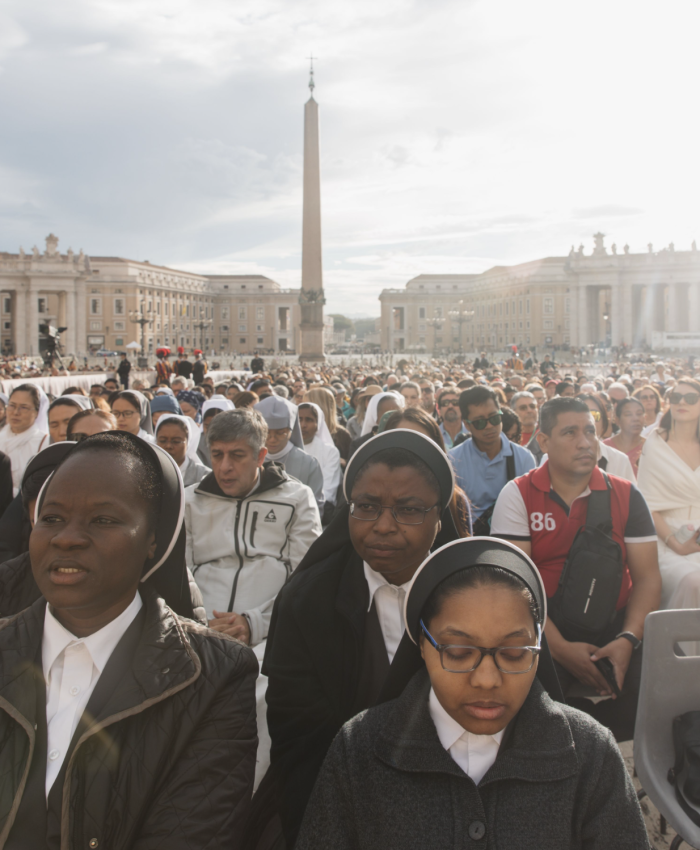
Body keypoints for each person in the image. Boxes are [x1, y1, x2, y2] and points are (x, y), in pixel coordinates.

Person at [295, 538, 650, 850]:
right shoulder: (358, 749)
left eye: (514, 653)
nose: (487, 680)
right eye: (459, 652)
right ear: (423, 646)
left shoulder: (591, 753)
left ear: (538, 649)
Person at [0, 432, 258, 849]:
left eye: (103, 520)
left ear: (153, 539)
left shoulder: (215, 677)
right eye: (52, 518)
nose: (66, 538)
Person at [262, 430, 460, 847]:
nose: (383, 526)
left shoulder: (473, 599)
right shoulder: (308, 602)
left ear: (439, 517)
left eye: (409, 510)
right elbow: (299, 741)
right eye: (366, 507)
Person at [492, 397, 661, 741]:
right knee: (531, 709)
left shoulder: (626, 495)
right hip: (542, 628)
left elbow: (647, 579)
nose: (585, 442)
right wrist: (559, 648)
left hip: (615, 627)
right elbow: (512, 585)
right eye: (570, 432)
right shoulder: (518, 494)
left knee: (661, 695)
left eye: (590, 431)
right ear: (543, 441)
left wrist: (628, 640)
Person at [184, 408, 321, 787]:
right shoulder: (189, 501)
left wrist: (254, 623)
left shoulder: (297, 498)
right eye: (217, 455)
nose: (224, 467)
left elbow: (305, 579)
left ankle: (247, 797)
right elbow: (179, 574)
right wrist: (200, 626)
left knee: (259, 688)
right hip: (200, 631)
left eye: (237, 455)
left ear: (261, 456)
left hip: (271, 633)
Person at [637, 378, 700, 609]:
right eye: (676, 397)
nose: (682, 402)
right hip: (666, 539)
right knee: (694, 582)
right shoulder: (655, 443)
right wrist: (676, 544)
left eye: (690, 398)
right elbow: (647, 505)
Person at [448, 386, 535, 527]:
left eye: (494, 418)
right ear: (467, 425)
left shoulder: (524, 458)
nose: (489, 426)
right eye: (480, 422)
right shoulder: (453, 460)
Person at [256, 395, 325, 514]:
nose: (272, 439)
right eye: (266, 432)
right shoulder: (248, 459)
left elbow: (315, 508)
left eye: (280, 433)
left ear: (291, 429)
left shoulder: (308, 463)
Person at [0, 384, 50, 495]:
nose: (16, 412)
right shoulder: (1, 437)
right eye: (12, 406)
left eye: (24, 407)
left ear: (37, 412)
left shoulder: (44, 443)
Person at [577, 393, 635, 481]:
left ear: (603, 422)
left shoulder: (620, 461)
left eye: (594, 414)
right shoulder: (555, 459)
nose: (588, 421)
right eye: (579, 415)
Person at [298, 402, 342, 514]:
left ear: (318, 423)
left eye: (309, 420)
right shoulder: (285, 449)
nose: (303, 425)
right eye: (299, 419)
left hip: (317, 509)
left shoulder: (330, 452)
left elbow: (328, 491)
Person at [155, 414, 210, 486]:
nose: (168, 446)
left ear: (188, 443)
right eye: (163, 440)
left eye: (176, 441)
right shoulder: (148, 473)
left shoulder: (204, 476)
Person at [604, 397, 645, 477]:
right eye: (628, 414)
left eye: (639, 414)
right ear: (617, 420)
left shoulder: (649, 447)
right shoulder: (605, 447)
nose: (635, 419)